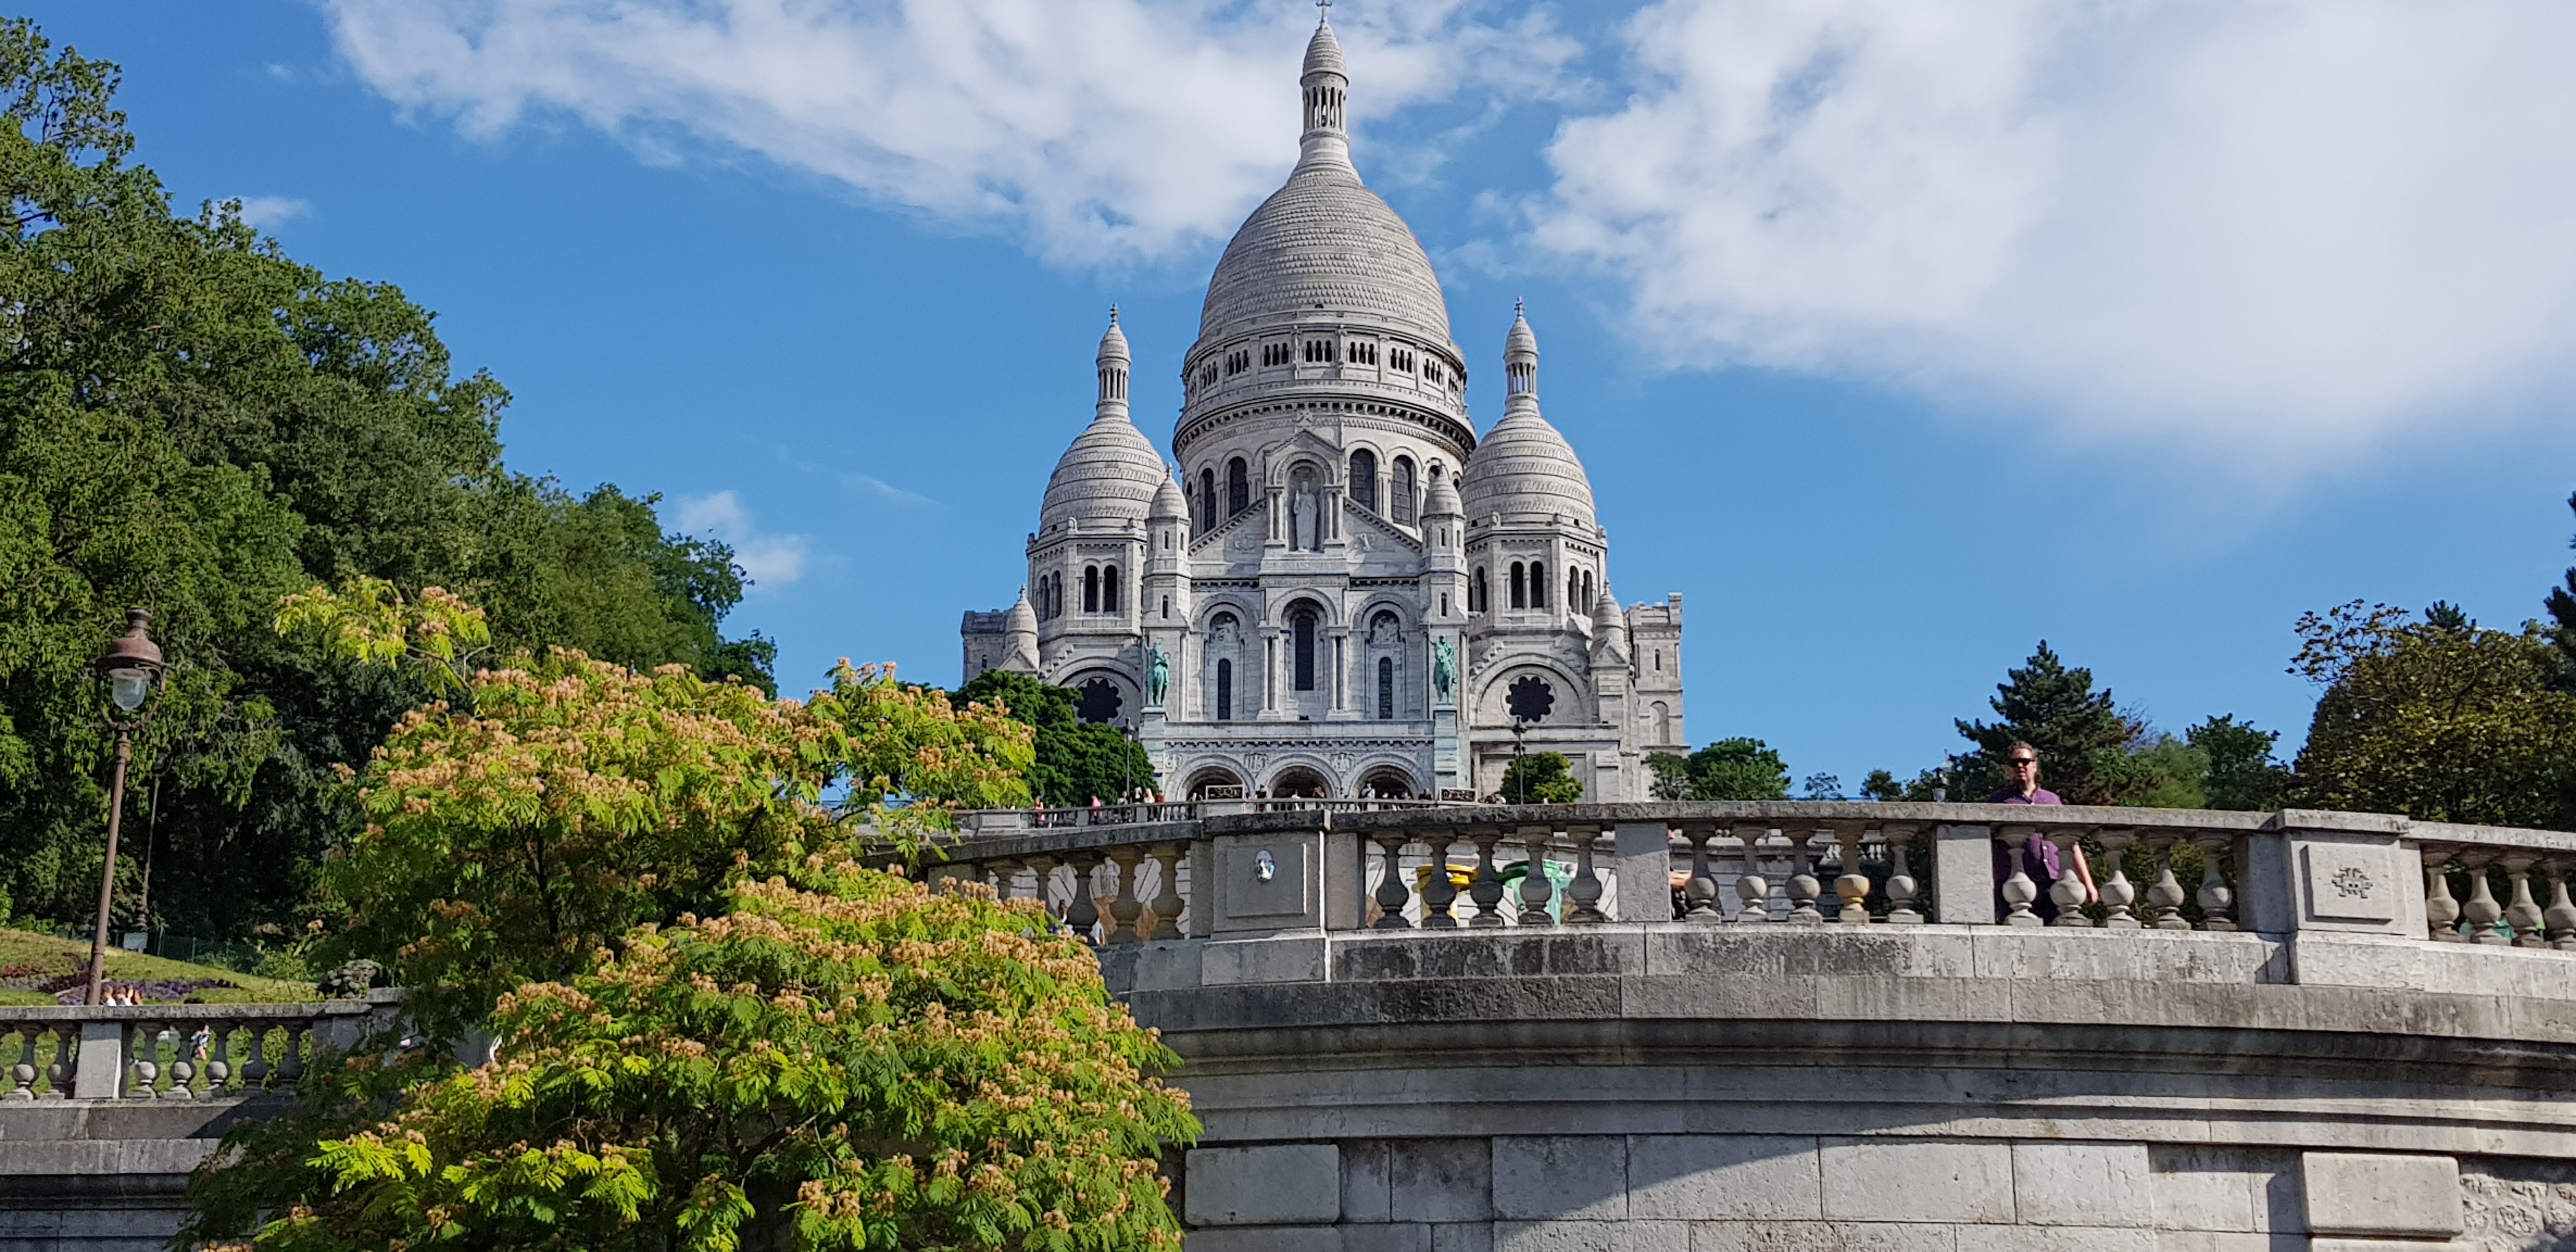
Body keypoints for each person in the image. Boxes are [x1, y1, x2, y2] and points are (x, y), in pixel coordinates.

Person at [1990, 742, 2097, 920]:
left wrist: (2089, 884)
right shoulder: (1999, 802)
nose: (2020, 767)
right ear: (2007, 770)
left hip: (2053, 882)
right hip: (2013, 884)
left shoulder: (2052, 800)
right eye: (2014, 763)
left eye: (2025, 761)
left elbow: (2071, 843)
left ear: (2035, 766)